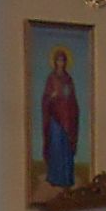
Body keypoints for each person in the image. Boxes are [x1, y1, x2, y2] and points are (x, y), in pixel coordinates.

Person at [41, 47, 80, 190]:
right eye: (58, 60)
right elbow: (46, 99)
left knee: (66, 149)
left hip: (67, 119)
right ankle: (55, 177)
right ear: (55, 62)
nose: (60, 63)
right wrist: (52, 97)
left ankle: (66, 178)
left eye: (62, 60)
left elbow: (73, 100)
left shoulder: (68, 79)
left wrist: (70, 104)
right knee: (56, 147)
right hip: (55, 120)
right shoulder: (51, 79)